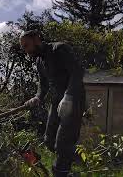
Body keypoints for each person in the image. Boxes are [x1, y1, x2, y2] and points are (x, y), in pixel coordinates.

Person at [20, 30, 85, 177]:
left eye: (26, 45)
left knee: (62, 144)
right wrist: (37, 97)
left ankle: (60, 172)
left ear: (36, 39)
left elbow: (77, 72)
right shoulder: (39, 61)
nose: (25, 50)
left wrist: (69, 96)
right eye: (23, 47)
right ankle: (78, 160)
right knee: (49, 140)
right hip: (57, 102)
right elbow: (43, 85)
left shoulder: (60, 49)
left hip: (73, 99)